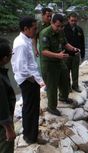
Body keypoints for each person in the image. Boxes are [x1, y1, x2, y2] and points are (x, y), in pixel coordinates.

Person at [11, 16, 45, 144]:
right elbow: (21, 69)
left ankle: (31, 133)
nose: (36, 31)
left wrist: (38, 79)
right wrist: (35, 80)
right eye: (34, 28)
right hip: (27, 81)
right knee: (30, 109)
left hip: (31, 79)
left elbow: (29, 64)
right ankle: (30, 137)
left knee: (31, 108)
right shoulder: (20, 44)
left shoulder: (25, 40)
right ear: (26, 29)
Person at [39, 14, 80, 116]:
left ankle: (63, 97)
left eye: (62, 26)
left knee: (65, 78)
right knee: (52, 86)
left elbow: (65, 43)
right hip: (49, 64)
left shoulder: (61, 31)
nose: (60, 28)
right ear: (52, 23)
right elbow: (44, 51)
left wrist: (74, 49)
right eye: (58, 26)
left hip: (59, 60)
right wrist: (58, 55)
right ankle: (51, 107)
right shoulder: (45, 33)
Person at [0, 38, 16, 153]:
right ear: (5, 58)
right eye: (11, 54)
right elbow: (2, 107)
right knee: (6, 147)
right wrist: (9, 129)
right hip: (2, 126)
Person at [64, 12, 85, 92]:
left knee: (75, 72)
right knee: (66, 72)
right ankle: (68, 87)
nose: (73, 22)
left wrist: (82, 55)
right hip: (66, 55)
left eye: (75, 21)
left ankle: (75, 86)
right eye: (72, 20)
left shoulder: (79, 30)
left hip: (76, 55)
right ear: (68, 20)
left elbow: (82, 43)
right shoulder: (63, 29)